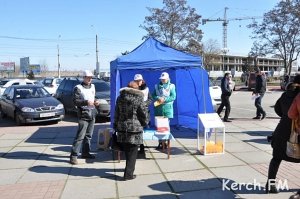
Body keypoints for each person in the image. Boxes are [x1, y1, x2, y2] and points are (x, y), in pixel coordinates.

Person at [265, 74, 300, 194]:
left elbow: (277, 109)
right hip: (297, 131)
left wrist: (285, 117)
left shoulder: (286, 94)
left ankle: (271, 185)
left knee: (276, 158)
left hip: (282, 129)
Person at [113, 81, 148, 180]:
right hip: (135, 129)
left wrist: (116, 125)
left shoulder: (120, 98)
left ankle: (128, 171)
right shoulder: (138, 98)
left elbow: (116, 113)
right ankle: (128, 174)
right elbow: (143, 114)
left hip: (122, 128)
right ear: (136, 89)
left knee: (128, 150)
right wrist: (145, 123)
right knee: (133, 152)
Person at [70, 70, 100, 165]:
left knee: (89, 136)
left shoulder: (93, 86)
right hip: (83, 114)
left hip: (92, 113)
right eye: (88, 77)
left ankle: (86, 153)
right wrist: (86, 102)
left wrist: (96, 101)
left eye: (91, 77)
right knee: (80, 136)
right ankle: (73, 156)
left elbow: (92, 97)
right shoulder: (78, 88)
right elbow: (75, 101)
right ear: (84, 77)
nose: (90, 79)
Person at [152, 72, 176, 149]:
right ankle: (160, 143)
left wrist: (164, 99)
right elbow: (153, 95)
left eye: (164, 79)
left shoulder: (172, 86)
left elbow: (173, 97)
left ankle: (166, 142)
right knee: (159, 127)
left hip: (167, 109)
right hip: (158, 108)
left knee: (166, 126)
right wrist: (158, 98)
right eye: (162, 79)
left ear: (168, 79)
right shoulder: (156, 86)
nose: (163, 80)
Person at [133, 74, 152, 154]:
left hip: (145, 113)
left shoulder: (146, 89)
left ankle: (141, 145)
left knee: (144, 130)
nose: (138, 82)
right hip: (136, 113)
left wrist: (145, 103)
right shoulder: (132, 89)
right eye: (136, 81)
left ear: (142, 80)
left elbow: (150, 99)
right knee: (137, 130)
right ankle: (140, 146)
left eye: (139, 80)